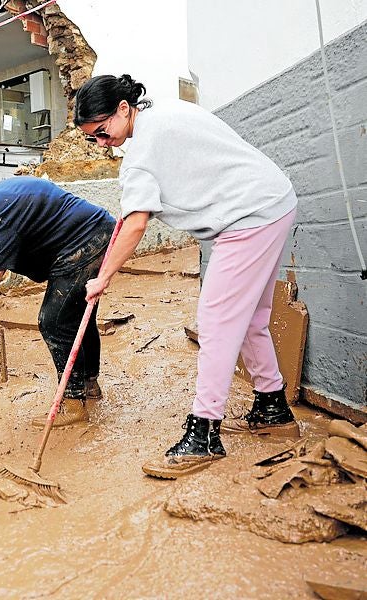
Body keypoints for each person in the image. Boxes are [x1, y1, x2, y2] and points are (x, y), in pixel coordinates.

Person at [74, 74, 300, 479]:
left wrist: (103, 277)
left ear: (124, 109)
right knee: (249, 318)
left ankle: (204, 435)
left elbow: (136, 224)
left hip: (247, 217)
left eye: (103, 132)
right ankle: (272, 408)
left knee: (215, 322)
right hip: (272, 202)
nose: (103, 143)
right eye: (94, 138)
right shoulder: (164, 112)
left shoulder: (141, 151)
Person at [0, 172, 115, 427]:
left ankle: (73, 404)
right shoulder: (1, 199)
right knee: (75, 318)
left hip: (86, 241)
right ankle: (89, 385)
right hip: (92, 234)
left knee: (53, 321)